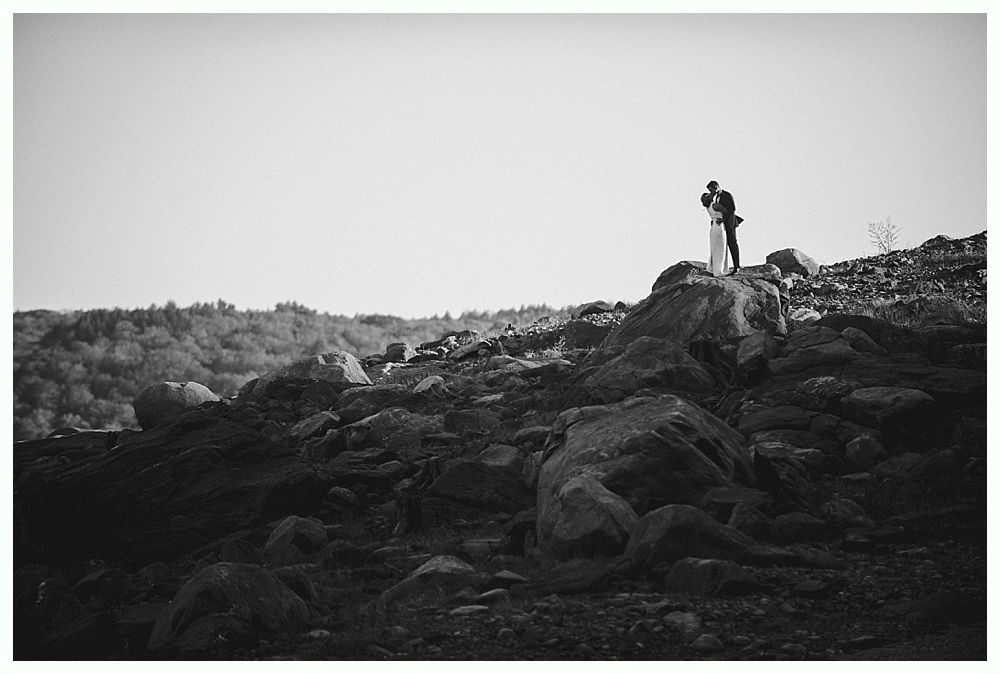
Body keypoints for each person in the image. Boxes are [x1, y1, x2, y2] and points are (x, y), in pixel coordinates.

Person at [706, 180, 743, 274]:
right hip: (722, 224)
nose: (711, 192)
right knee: (723, 245)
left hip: (729, 222)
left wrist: (723, 219)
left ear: (716, 187)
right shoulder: (716, 197)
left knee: (732, 243)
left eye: (712, 190)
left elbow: (732, 208)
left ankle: (736, 266)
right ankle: (723, 266)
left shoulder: (726, 195)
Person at [701, 191, 729, 276]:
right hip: (719, 226)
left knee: (714, 248)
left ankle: (713, 268)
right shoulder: (714, 205)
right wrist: (724, 219)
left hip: (713, 226)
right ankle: (719, 270)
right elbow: (727, 212)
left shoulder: (708, 207)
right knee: (721, 248)